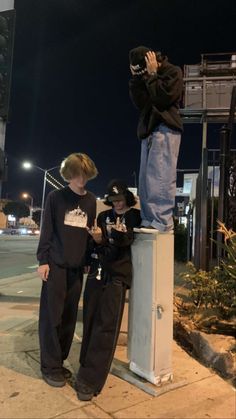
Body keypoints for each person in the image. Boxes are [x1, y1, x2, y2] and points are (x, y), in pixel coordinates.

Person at [75, 179, 141, 401]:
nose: (118, 204)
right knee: (90, 320)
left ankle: (91, 379)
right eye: (113, 200)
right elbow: (98, 246)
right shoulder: (103, 217)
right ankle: (84, 365)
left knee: (106, 328)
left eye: (121, 199)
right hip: (97, 274)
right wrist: (98, 240)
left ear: (127, 199)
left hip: (116, 278)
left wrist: (110, 239)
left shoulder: (134, 216)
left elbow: (123, 244)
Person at [37, 152, 98, 388]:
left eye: (84, 173)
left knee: (69, 317)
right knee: (51, 317)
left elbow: (89, 233)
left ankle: (59, 361)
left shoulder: (91, 200)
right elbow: (47, 231)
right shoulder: (56, 197)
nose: (80, 178)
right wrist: (43, 261)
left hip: (77, 268)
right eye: (76, 173)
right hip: (55, 266)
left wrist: (88, 260)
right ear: (69, 174)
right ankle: (49, 366)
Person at [129, 45, 183, 232]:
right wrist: (137, 80)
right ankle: (149, 218)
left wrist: (152, 76)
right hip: (148, 131)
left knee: (161, 175)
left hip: (165, 128)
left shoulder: (173, 72)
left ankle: (161, 220)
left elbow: (163, 98)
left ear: (152, 60)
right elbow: (141, 103)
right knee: (146, 179)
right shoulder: (144, 77)